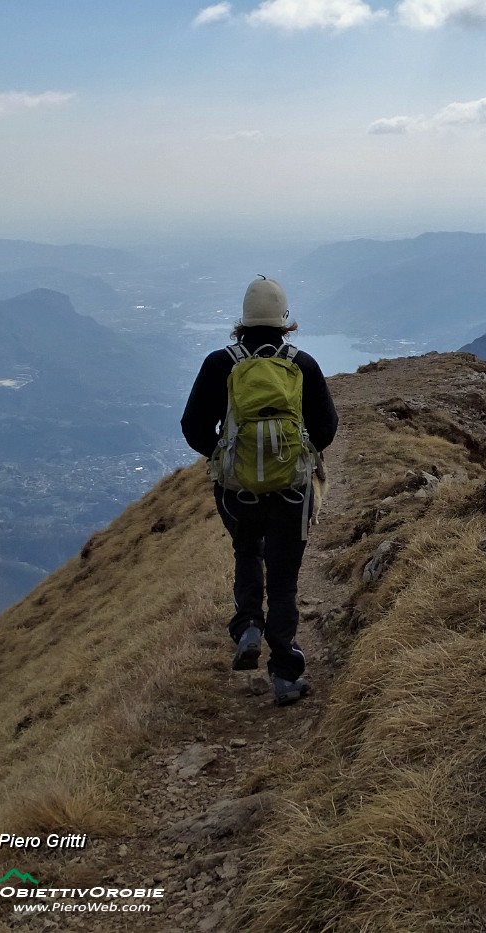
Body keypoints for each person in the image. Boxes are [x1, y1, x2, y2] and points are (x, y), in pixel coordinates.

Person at [181, 277, 338, 706]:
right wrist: (296, 455)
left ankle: (248, 624)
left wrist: (224, 456)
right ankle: (285, 674)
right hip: (292, 490)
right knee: (284, 578)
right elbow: (326, 428)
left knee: (247, 552)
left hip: (237, 490)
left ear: (243, 320)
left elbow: (193, 427)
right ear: (285, 319)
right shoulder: (301, 364)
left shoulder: (220, 364)